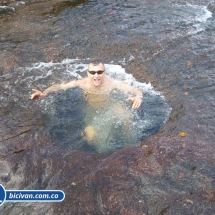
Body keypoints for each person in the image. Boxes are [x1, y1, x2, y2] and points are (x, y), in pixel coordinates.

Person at [31, 60, 143, 151]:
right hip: (92, 110)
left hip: (110, 106)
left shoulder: (112, 83)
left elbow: (137, 90)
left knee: (126, 115)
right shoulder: (82, 83)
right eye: (93, 72)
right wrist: (44, 93)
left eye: (99, 72)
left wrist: (138, 97)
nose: (96, 75)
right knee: (95, 142)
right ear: (88, 73)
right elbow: (60, 86)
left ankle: (131, 145)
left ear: (104, 72)